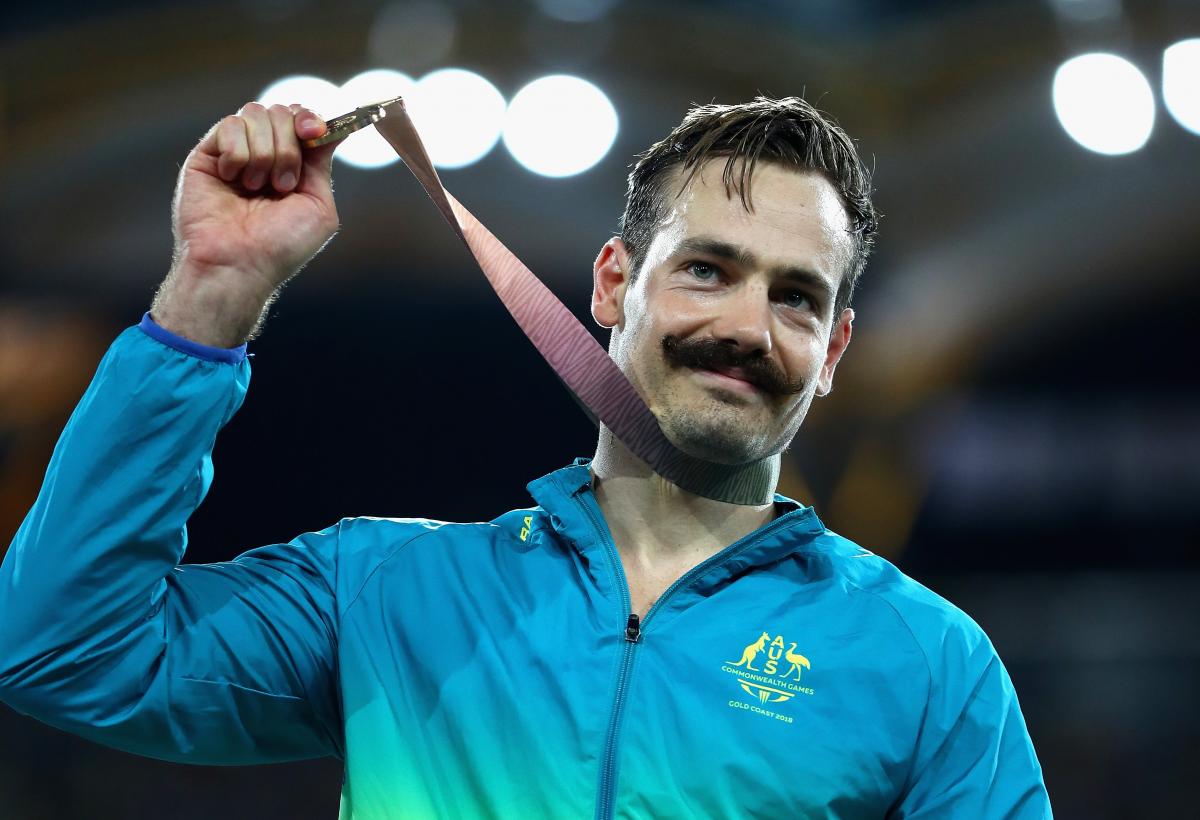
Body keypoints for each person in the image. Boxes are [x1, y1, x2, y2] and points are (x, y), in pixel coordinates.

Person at [0, 96, 1052, 818]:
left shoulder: (926, 664)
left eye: (795, 297)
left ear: (833, 353)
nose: (745, 324)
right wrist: (212, 292)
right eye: (707, 271)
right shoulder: (386, 595)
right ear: (610, 284)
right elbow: (57, 648)